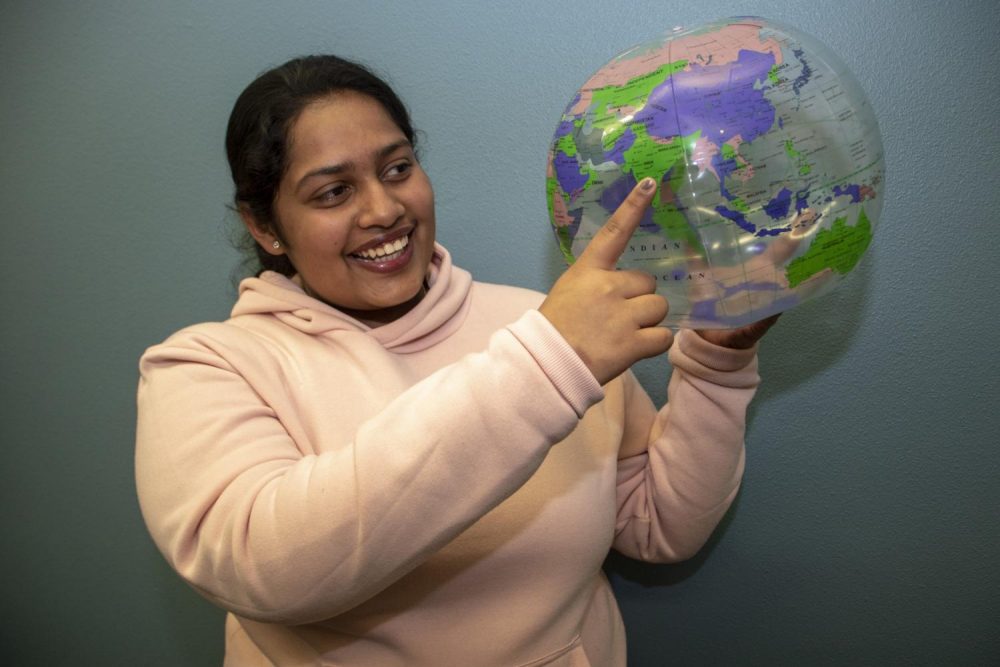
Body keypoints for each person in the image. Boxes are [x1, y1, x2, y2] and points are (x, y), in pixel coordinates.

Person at [135, 54, 778, 666]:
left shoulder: (544, 324)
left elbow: (657, 525)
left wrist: (717, 364)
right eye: (333, 192)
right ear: (265, 226)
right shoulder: (206, 367)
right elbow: (262, 569)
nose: (384, 210)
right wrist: (547, 368)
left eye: (396, 169)